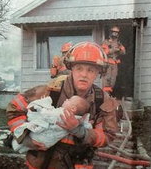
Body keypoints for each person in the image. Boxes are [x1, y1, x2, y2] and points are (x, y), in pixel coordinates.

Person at [6, 41, 119, 169]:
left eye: (91, 70)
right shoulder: (52, 90)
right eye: (79, 68)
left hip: (77, 163)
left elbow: (107, 136)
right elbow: (14, 107)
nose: (84, 74)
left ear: (98, 72)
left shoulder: (102, 101)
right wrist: (26, 137)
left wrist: (81, 132)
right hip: (41, 163)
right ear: (71, 69)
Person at [12, 95, 92, 153]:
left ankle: (15, 144)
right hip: (47, 145)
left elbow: (48, 115)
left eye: (69, 100)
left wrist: (41, 107)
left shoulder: (63, 113)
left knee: (26, 137)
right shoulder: (80, 118)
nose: (66, 99)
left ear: (73, 108)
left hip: (45, 139)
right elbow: (88, 126)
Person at [101, 26, 126, 94]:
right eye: (113, 32)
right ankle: (105, 95)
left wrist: (120, 48)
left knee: (113, 80)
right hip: (107, 64)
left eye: (116, 32)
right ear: (111, 32)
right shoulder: (106, 42)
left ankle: (108, 95)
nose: (115, 34)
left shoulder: (118, 43)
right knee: (107, 79)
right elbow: (104, 52)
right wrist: (113, 50)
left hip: (114, 64)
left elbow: (123, 52)